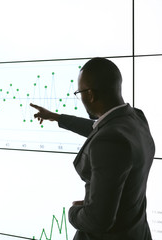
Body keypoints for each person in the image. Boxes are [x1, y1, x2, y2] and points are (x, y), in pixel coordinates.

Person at [30, 57, 155, 240]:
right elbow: (100, 128)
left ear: (90, 94)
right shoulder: (135, 118)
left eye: (79, 92)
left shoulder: (109, 141)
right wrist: (57, 117)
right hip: (136, 231)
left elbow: (98, 221)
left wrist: (74, 212)